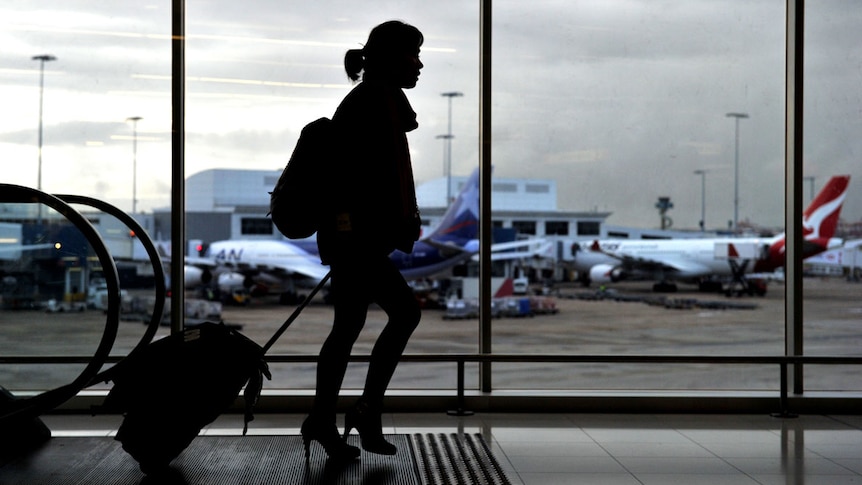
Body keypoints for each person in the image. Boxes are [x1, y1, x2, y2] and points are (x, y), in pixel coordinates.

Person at [301, 20, 424, 462]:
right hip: (357, 241)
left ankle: (325, 418)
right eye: (413, 54)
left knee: (347, 328)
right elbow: (353, 180)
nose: (420, 63)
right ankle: (365, 411)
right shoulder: (370, 102)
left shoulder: (377, 100)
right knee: (405, 313)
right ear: (392, 58)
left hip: (352, 238)